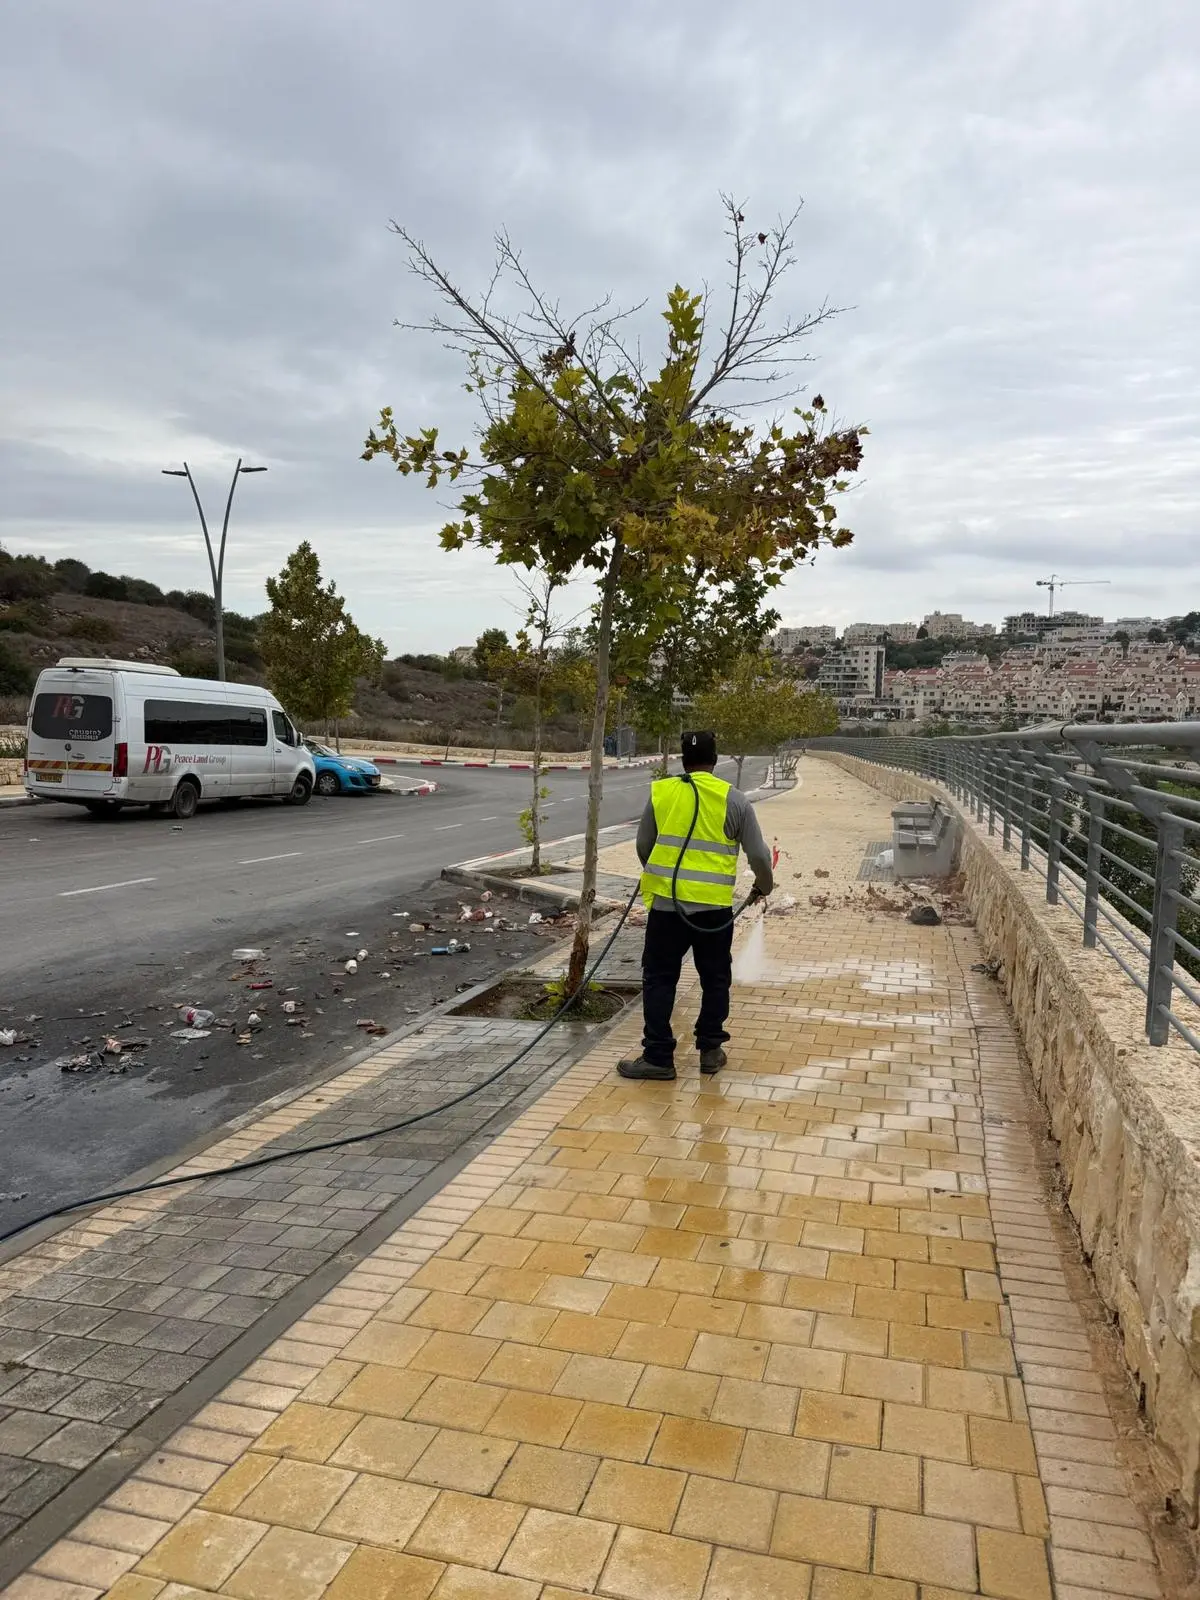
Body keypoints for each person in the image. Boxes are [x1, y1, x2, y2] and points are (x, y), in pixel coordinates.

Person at [618, 730, 773, 1082]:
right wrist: (764, 885)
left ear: (682, 761)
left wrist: (662, 876)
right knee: (715, 979)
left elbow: (644, 845)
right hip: (714, 912)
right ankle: (710, 1051)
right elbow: (759, 855)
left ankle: (658, 1057)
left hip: (667, 910)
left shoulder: (662, 793)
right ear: (715, 761)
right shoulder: (735, 801)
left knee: (659, 979)